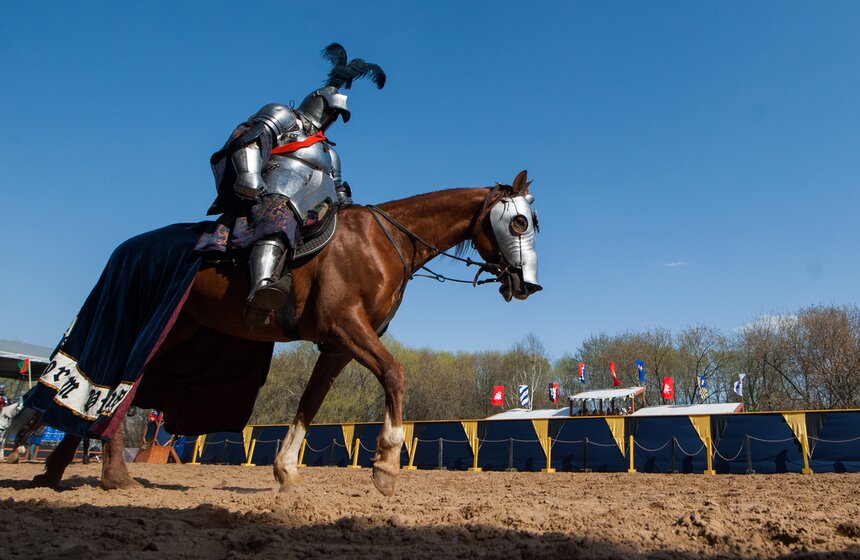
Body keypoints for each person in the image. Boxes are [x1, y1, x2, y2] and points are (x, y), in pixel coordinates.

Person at [196, 43, 386, 327]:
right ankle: (261, 288)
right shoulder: (285, 117)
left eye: (336, 117)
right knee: (279, 218)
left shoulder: (330, 152)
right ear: (317, 102)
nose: (331, 119)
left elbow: (334, 186)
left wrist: (345, 200)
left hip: (316, 207)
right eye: (331, 112)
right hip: (275, 190)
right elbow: (249, 138)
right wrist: (249, 174)